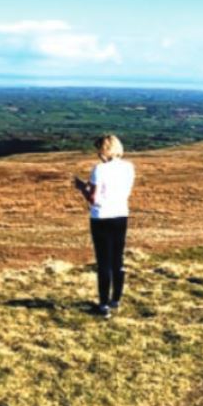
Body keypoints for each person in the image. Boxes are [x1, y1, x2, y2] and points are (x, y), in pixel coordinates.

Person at [72, 135, 135, 318]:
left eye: (99, 150)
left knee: (103, 263)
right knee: (118, 259)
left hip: (101, 218)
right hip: (121, 215)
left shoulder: (99, 169)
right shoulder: (128, 167)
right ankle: (116, 300)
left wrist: (81, 187)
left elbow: (93, 198)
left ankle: (103, 305)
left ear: (104, 150)